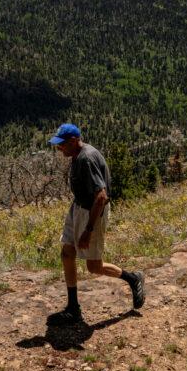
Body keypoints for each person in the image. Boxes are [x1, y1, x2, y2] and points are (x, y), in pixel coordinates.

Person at [47, 123, 145, 326]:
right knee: (67, 252)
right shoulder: (77, 155)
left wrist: (88, 230)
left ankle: (133, 278)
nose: (59, 148)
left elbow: (101, 197)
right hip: (79, 207)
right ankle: (73, 308)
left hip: (92, 213)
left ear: (74, 141)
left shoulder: (86, 159)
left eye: (62, 144)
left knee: (93, 267)